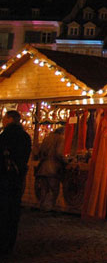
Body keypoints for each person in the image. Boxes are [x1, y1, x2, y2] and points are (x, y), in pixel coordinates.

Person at [0, 110, 32, 256]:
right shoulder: (25, 137)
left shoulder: (5, 136)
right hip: (17, 179)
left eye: (4, 118)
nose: (2, 120)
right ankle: (9, 244)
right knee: (13, 212)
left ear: (10, 119)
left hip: (4, 179)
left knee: (3, 211)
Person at [34, 126, 66, 212]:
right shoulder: (60, 139)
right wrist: (65, 161)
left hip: (43, 166)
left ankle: (42, 207)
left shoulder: (47, 138)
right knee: (53, 189)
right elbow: (59, 153)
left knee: (44, 188)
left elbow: (39, 151)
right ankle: (49, 208)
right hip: (53, 168)